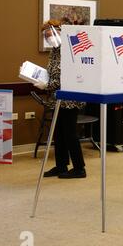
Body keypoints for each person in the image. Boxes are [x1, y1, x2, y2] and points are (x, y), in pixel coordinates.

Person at [35, 19, 86, 179]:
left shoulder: (70, 49)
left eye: (50, 35)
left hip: (70, 98)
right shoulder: (54, 50)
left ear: (59, 32)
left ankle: (79, 168)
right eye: (46, 36)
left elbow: (68, 76)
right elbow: (53, 71)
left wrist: (47, 85)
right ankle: (61, 165)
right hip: (56, 99)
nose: (49, 38)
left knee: (70, 133)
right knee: (58, 133)